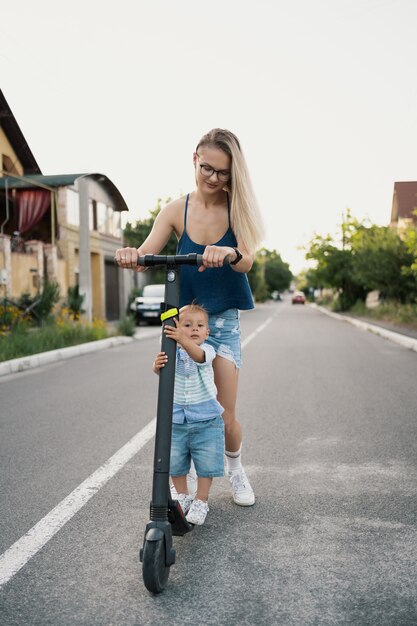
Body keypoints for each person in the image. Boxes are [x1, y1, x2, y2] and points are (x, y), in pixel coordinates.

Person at [116, 128, 264, 506]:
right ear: (194, 158)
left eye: (224, 173)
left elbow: (247, 259)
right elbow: (147, 252)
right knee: (180, 406)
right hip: (184, 325)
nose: (214, 178)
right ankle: (184, 482)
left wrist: (228, 253)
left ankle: (235, 469)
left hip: (223, 325)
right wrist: (132, 255)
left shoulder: (236, 208)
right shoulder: (175, 210)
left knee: (223, 413)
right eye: (207, 168)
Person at [153, 303, 225, 525]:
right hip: (176, 418)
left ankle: (201, 500)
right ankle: (183, 496)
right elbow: (162, 371)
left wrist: (182, 338)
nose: (194, 329)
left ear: (207, 332)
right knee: (174, 461)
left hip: (206, 419)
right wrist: (156, 366)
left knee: (206, 462)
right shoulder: (171, 350)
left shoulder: (207, 350)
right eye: (187, 325)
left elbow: (198, 357)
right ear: (177, 327)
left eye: (200, 325)